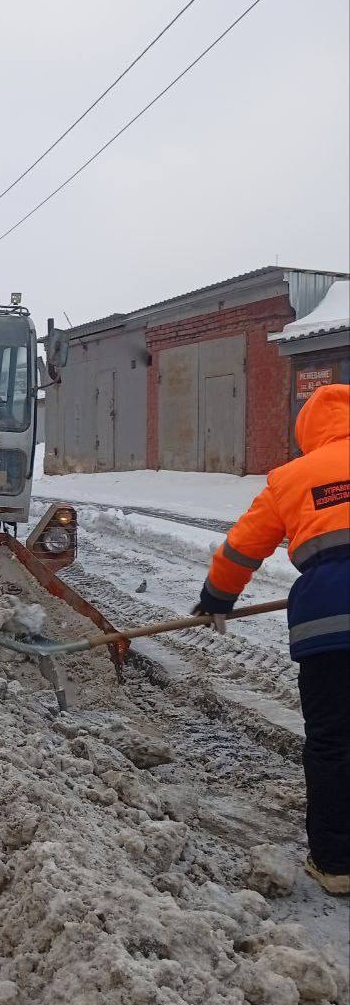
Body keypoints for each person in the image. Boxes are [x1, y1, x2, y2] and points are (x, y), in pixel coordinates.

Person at [193, 382, 349, 895]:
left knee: (332, 741)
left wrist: (217, 599)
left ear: (307, 433)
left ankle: (335, 864)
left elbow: (242, 549)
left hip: (328, 622)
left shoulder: (291, 478)